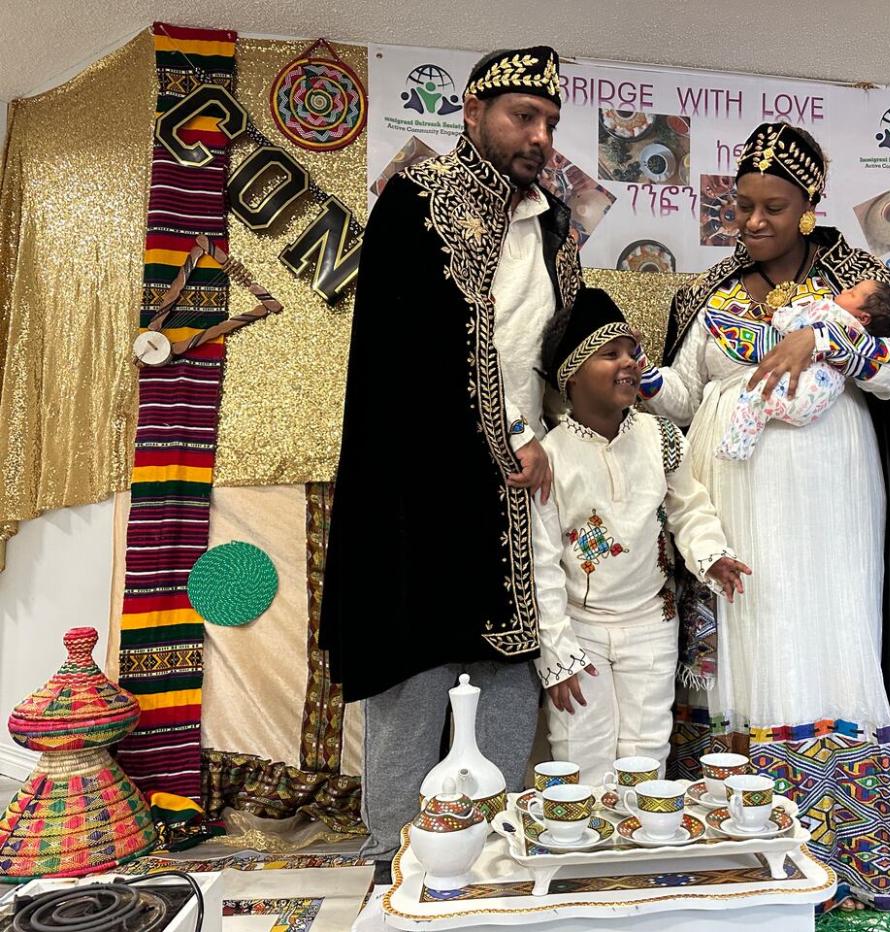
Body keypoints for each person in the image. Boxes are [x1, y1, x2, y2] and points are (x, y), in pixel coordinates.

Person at [638, 121, 890, 903]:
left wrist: (825, 343)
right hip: (727, 498)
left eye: (772, 208)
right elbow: (686, 397)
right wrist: (644, 384)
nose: (753, 223)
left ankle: (840, 852)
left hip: (828, 500)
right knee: (738, 631)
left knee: (821, 626)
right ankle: (728, 851)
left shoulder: (855, 280)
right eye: (742, 207)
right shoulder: (707, 292)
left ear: (809, 208)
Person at [318, 45, 582, 873]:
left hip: (520, 479)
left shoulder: (555, 222)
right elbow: (411, 351)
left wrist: (557, 429)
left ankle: (494, 847)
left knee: (507, 661)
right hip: (420, 477)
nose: (537, 136)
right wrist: (498, 436)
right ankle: (392, 854)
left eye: (548, 122)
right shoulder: (419, 200)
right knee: (419, 660)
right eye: (521, 116)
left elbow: (553, 345)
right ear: (472, 113)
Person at [531, 288, 750, 785]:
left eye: (632, 351)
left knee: (646, 750)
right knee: (580, 749)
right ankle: (586, 856)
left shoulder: (661, 437)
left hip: (651, 620)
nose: (629, 363)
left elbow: (689, 508)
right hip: (580, 629)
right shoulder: (551, 455)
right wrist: (557, 652)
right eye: (610, 354)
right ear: (572, 373)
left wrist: (711, 555)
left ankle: (638, 848)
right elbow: (542, 562)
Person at [712, 278, 890, 460]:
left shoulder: (828, 307)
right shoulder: (866, 341)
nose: (845, 289)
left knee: (754, 394)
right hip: (818, 404)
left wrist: (786, 318)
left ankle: (735, 448)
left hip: (796, 398)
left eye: (852, 292)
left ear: (864, 317)